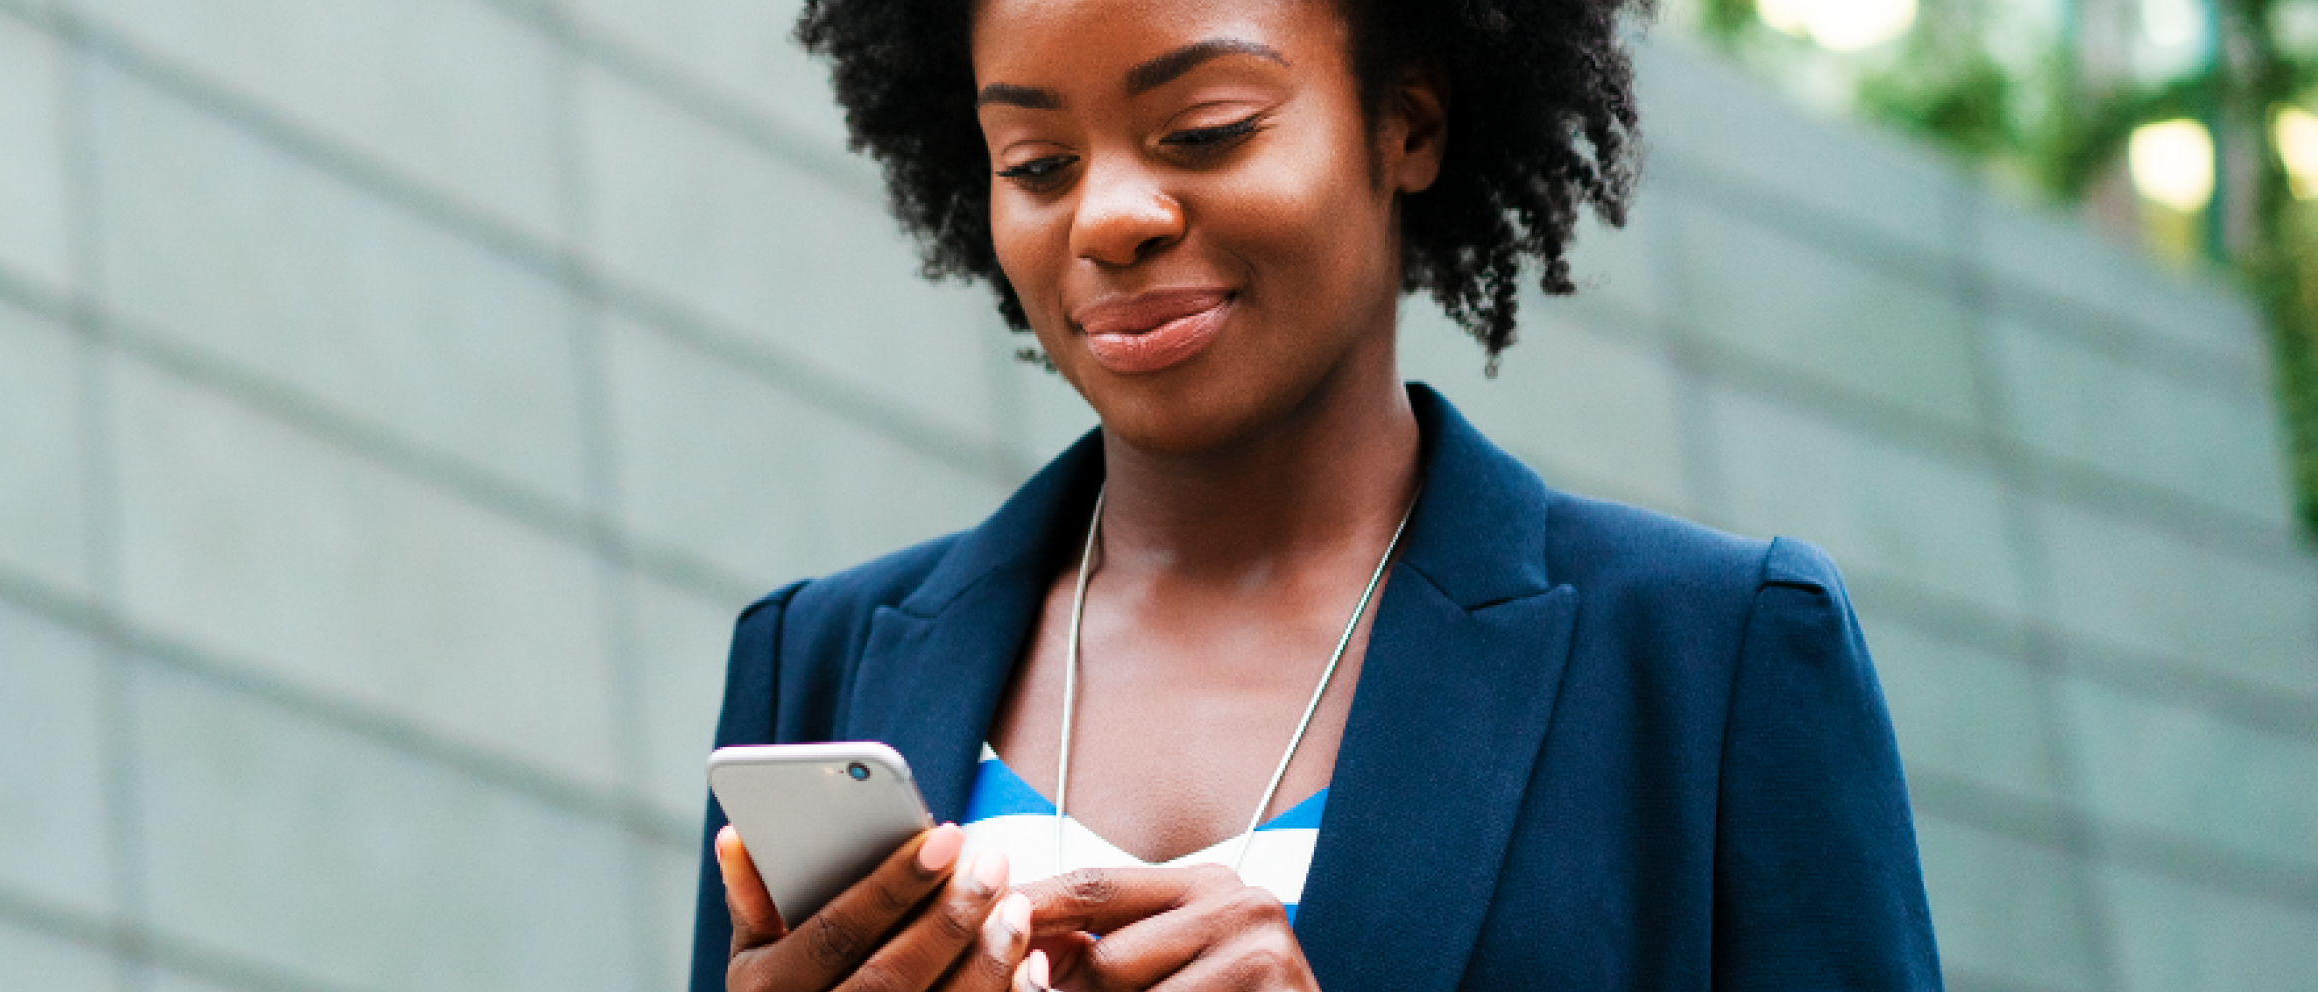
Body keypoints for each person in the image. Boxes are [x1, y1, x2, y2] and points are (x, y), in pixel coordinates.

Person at [693, 0, 1943, 988]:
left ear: (1405, 123)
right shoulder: (817, 661)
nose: (1107, 216)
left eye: (1205, 130)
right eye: (1036, 161)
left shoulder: (1715, 660)